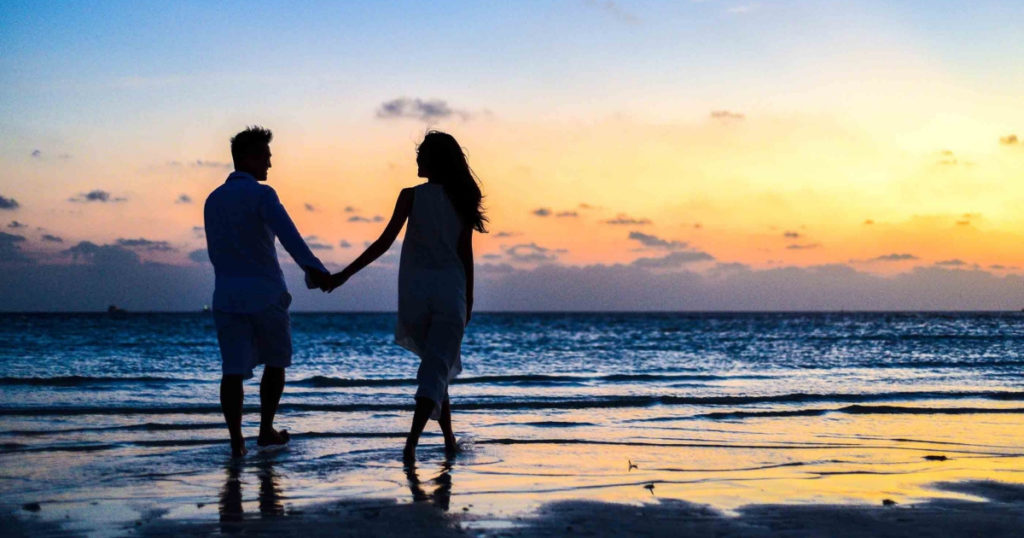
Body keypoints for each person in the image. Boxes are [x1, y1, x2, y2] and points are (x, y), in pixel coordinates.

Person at [328, 130, 486, 462]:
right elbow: (464, 253)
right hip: (450, 294)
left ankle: (448, 441)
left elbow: (383, 243)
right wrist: (469, 299)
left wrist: (345, 274)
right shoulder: (461, 197)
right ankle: (411, 445)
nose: (416, 159)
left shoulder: (410, 196)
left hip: (415, 297)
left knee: (436, 367)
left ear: (434, 160)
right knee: (435, 369)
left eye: (421, 154)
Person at [204, 125, 331, 458]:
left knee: (232, 370)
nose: (270, 165)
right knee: (276, 363)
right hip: (265, 293)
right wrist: (314, 270)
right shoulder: (263, 195)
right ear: (249, 157)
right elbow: (289, 236)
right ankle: (265, 430)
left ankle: (236, 441)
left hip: (227, 295)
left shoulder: (213, 200)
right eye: (266, 157)